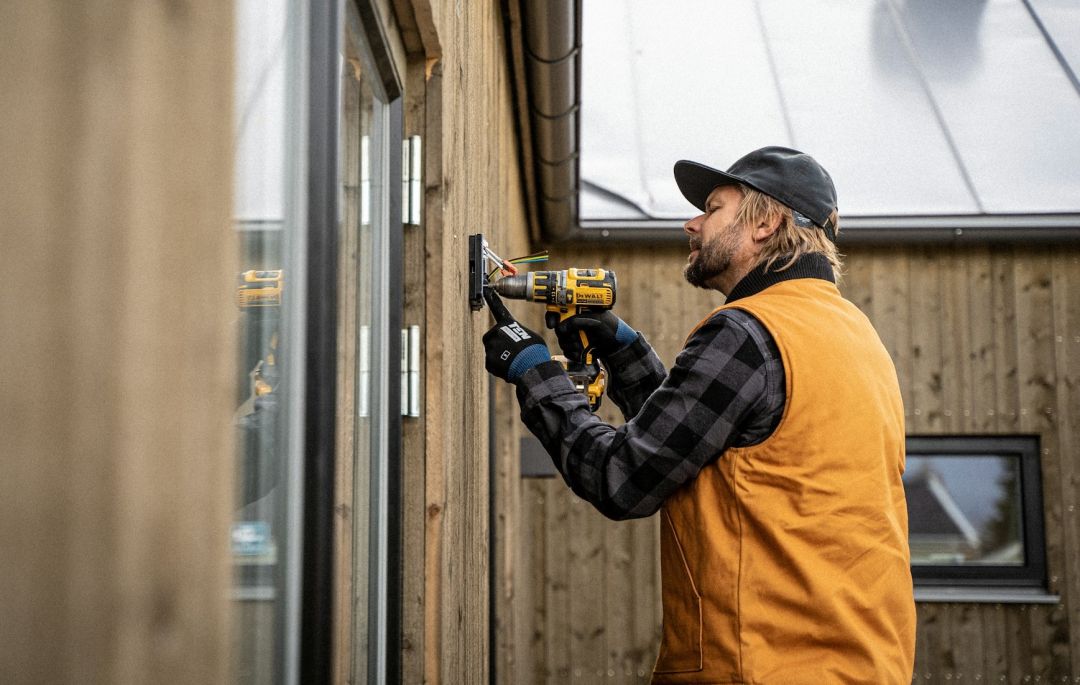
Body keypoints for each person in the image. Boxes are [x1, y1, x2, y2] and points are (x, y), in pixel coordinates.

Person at [482, 146, 916, 684]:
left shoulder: (746, 331)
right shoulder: (855, 337)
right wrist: (622, 349)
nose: (692, 223)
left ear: (767, 224)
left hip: (756, 669)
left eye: (712, 208)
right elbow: (701, 451)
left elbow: (624, 477)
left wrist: (534, 371)